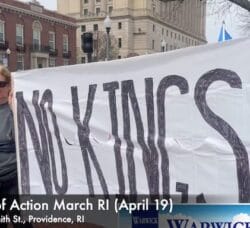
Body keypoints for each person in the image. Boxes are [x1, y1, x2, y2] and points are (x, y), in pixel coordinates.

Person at [0, 65, 32, 228]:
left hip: (14, 179)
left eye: (1, 84)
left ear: (10, 85)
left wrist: (14, 109)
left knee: (22, 223)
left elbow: (26, 137)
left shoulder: (18, 107)